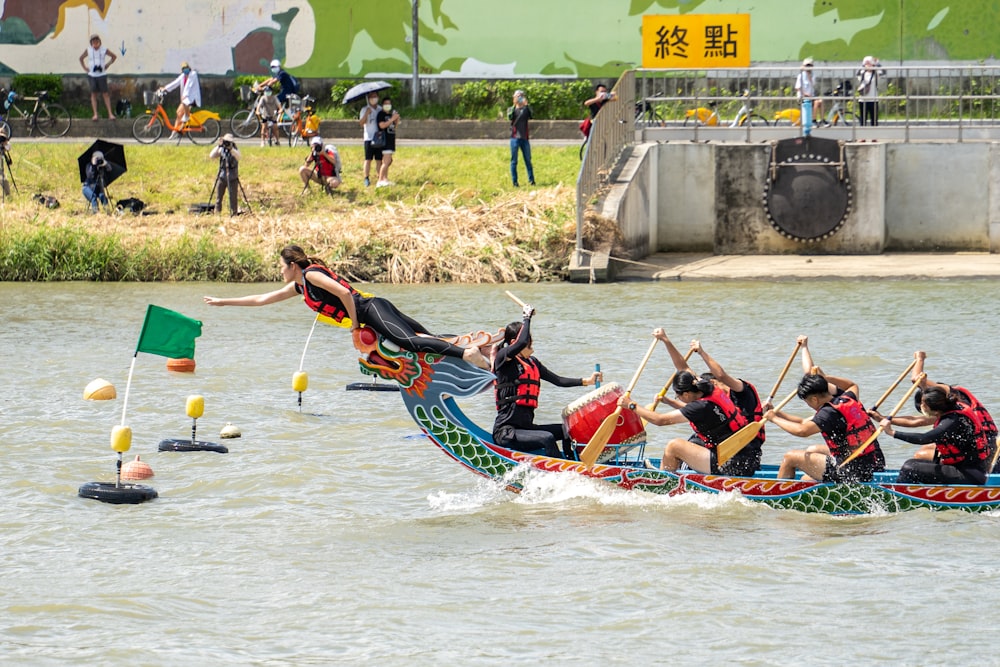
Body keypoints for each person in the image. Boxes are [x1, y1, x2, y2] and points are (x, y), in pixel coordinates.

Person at [203, 245, 491, 369]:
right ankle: (481, 349)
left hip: (370, 309)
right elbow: (261, 299)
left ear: (292, 266)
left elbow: (345, 294)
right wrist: (223, 302)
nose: (280, 272)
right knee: (425, 338)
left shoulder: (312, 275)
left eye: (281, 267)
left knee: (409, 342)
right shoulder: (299, 286)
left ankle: (467, 353)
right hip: (372, 313)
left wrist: (354, 326)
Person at [641, 329, 767, 475]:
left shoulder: (742, 392)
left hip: (743, 453)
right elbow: (683, 368)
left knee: (677, 445)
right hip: (726, 449)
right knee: (694, 440)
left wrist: (701, 352)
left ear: (713, 382)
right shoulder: (715, 397)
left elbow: (721, 375)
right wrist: (666, 340)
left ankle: (665, 480)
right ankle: (673, 472)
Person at [492, 308, 602, 459]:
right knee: (547, 438)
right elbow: (521, 341)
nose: (530, 342)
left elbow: (558, 381)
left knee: (567, 430)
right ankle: (561, 472)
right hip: (506, 432)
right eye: (528, 339)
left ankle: (574, 462)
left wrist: (586, 381)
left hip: (527, 429)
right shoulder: (503, 359)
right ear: (513, 343)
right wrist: (527, 317)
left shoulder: (533, 363)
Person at [877, 351, 1000, 470]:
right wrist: (883, 419)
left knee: (919, 455)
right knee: (930, 449)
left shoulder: (953, 402)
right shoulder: (948, 408)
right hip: (982, 446)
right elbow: (915, 420)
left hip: (982, 448)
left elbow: (916, 379)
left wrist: (920, 358)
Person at [766, 369, 883, 483]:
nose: (809, 405)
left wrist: (774, 418)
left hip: (852, 471)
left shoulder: (827, 414)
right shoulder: (847, 399)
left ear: (814, 399)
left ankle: (777, 495)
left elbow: (802, 431)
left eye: (807, 402)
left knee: (790, 457)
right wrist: (825, 378)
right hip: (874, 461)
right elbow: (852, 385)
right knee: (813, 452)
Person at [881, 386, 989, 485]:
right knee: (913, 463)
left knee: (909, 467)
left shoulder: (951, 421)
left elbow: (924, 438)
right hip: (963, 467)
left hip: (969, 473)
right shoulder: (953, 408)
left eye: (924, 405)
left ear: (935, 408)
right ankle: (917, 490)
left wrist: (892, 432)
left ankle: (900, 496)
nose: (921, 407)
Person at [159, 61, 201, 139]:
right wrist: (165, 88)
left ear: (189, 68)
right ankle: (176, 131)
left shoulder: (193, 74)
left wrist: (184, 95)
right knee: (179, 113)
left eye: (187, 68)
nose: (186, 70)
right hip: (187, 98)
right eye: (184, 69)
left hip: (192, 98)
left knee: (184, 108)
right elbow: (175, 83)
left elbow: (189, 85)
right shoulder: (183, 76)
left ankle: (187, 117)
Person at [79, 34, 117, 120]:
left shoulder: (104, 49)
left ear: (99, 41)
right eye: (93, 41)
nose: (95, 43)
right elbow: (81, 58)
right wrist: (85, 68)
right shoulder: (88, 50)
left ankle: (110, 114)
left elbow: (114, 57)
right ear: (91, 42)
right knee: (93, 94)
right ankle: (95, 114)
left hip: (102, 75)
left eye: (97, 41)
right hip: (92, 75)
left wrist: (107, 65)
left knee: (105, 94)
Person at [507, 89, 535, 187]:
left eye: (521, 96)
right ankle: (515, 182)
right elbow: (509, 117)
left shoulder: (526, 109)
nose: (519, 98)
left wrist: (526, 105)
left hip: (525, 138)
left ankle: (531, 180)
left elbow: (532, 116)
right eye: (517, 96)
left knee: (528, 160)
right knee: (514, 161)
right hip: (514, 138)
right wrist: (515, 104)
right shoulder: (511, 109)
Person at [208, 133, 240, 216]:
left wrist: (231, 149)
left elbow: (239, 157)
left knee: (233, 198)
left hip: (233, 177)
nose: (227, 144)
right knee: (218, 198)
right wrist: (219, 146)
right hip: (222, 176)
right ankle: (217, 213)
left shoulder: (235, 150)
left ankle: (234, 214)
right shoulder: (221, 150)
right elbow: (211, 156)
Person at [795, 57, 827, 134]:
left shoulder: (813, 76)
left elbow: (812, 85)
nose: (808, 68)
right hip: (803, 97)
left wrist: (809, 77)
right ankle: (813, 120)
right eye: (807, 65)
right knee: (816, 102)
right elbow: (798, 88)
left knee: (820, 101)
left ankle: (822, 120)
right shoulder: (801, 76)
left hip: (811, 96)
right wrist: (805, 94)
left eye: (810, 66)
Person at [374, 96, 400, 188]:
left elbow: (393, 127)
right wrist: (392, 119)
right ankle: (380, 180)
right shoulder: (381, 114)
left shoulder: (390, 115)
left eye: (389, 104)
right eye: (386, 104)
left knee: (388, 161)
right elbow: (382, 126)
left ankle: (385, 179)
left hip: (391, 140)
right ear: (382, 105)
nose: (387, 105)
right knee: (386, 161)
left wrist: (396, 120)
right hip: (384, 141)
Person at [359, 92, 382, 187]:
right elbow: (361, 123)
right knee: (368, 159)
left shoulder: (381, 109)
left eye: (375, 96)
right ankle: (366, 178)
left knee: (379, 160)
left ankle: (380, 177)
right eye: (371, 97)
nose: (373, 98)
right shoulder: (364, 109)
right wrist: (367, 114)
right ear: (368, 99)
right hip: (368, 138)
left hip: (379, 137)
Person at [856, 56, 886, 127]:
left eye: (870, 63)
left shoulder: (876, 74)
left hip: (873, 99)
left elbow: (884, 72)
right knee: (863, 119)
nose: (868, 65)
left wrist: (877, 64)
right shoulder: (862, 73)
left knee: (874, 119)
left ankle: (874, 136)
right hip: (863, 100)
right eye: (866, 63)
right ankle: (862, 136)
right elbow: (857, 73)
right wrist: (863, 65)